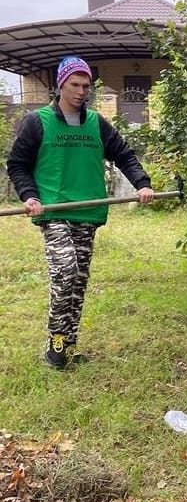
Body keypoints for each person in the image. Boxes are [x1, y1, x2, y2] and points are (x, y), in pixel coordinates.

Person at [6, 56, 154, 369]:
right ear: (61, 84)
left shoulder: (96, 123)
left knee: (79, 280)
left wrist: (142, 183)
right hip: (55, 210)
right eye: (75, 84)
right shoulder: (37, 121)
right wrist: (30, 195)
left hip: (87, 210)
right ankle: (55, 338)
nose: (81, 90)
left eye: (86, 85)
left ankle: (69, 344)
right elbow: (17, 164)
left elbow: (124, 155)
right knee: (66, 271)